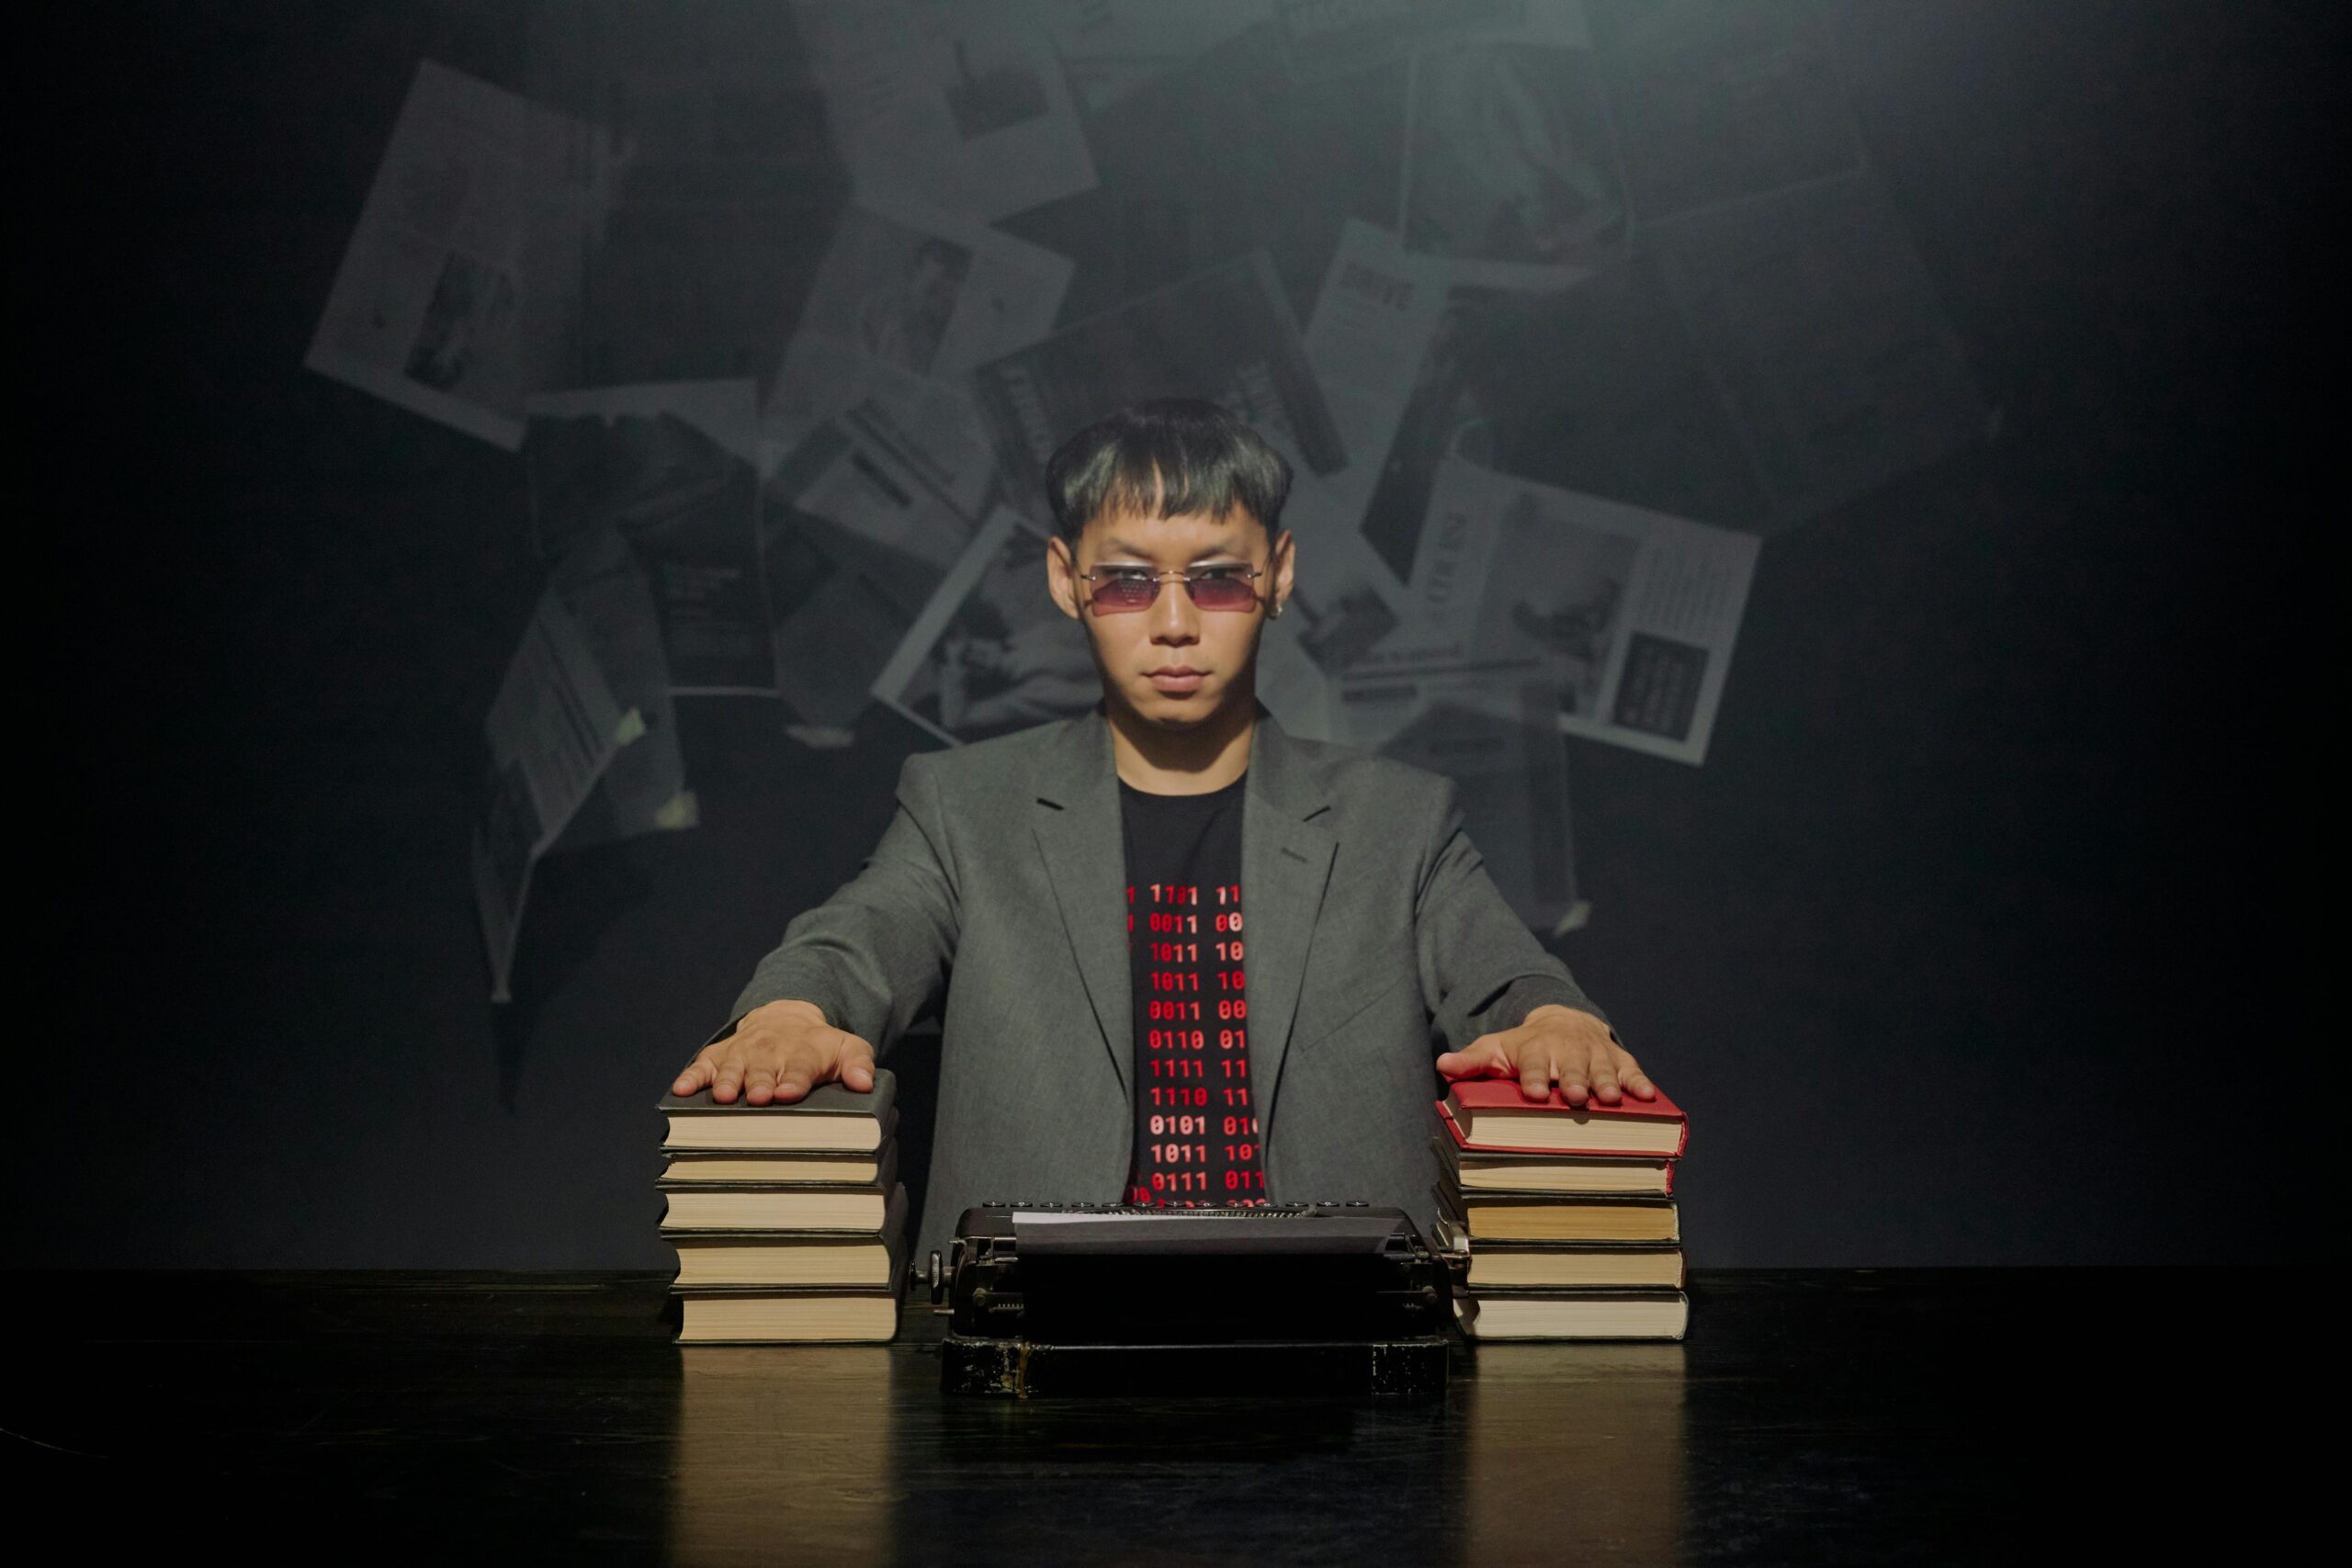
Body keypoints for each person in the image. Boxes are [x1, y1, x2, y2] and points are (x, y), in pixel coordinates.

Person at [673, 400, 1656, 1267]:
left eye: (1219, 580)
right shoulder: (965, 806)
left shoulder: (1395, 818)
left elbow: (1505, 979)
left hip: (1333, 1347)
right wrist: (792, 1010)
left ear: (1279, 575)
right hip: (1041, 1344)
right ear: (1066, 581)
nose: (1175, 622)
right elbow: (858, 939)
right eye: (1128, 583)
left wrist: (1552, 1019)